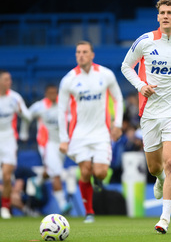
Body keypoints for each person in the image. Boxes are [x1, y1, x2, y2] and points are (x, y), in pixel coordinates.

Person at [121, 0, 171, 234]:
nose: (165, 16)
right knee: (154, 166)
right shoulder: (145, 41)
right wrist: (140, 85)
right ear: (158, 17)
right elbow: (126, 66)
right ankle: (158, 179)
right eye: (162, 12)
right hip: (150, 113)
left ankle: (164, 219)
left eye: (170, 12)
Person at [58, 41, 124, 223]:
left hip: (102, 132)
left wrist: (117, 124)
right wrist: (63, 139)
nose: (81, 55)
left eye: (85, 52)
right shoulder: (69, 80)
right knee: (85, 171)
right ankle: (89, 212)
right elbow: (61, 111)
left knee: (101, 172)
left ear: (92, 55)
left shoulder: (105, 74)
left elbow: (118, 98)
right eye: (78, 52)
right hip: (79, 134)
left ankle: (99, 179)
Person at [20, 85, 71, 214]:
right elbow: (26, 117)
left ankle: (37, 181)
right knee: (57, 172)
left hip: (61, 143)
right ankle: (63, 204)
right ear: (46, 94)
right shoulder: (39, 106)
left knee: (52, 170)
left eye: (55, 92)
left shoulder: (64, 104)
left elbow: (72, 117)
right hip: (46, 142)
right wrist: (24, 133)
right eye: (50, 93)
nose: (53, 95)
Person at [0, 69, 31, 219]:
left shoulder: (15, 97)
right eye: (6, 79)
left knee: (7, 176)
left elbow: (27, 116)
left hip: (8, 140)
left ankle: (5, 207)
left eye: (10, 79)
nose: (9, 82)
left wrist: (24, 132)